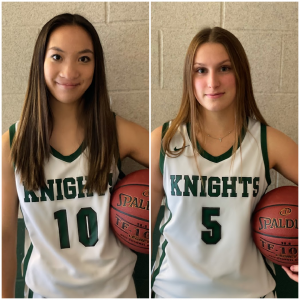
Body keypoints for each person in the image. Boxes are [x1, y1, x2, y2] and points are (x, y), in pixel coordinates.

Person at [2, 13, 149, 298]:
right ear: (40, 62)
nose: (69, 71)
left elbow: (180, 164)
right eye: (57, 57)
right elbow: (5, 235)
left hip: (114, 292)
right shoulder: (12, 143)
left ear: (96, 67)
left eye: (84, 59)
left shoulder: (115, 132)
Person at [151, 27, 298, 298]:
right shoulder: (164, 141)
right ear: (189, 77)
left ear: (240, 73)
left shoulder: (267, 142)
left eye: (224, 69)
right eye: (201, 70)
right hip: (175, 292)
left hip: (250, 292)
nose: (212, 82)